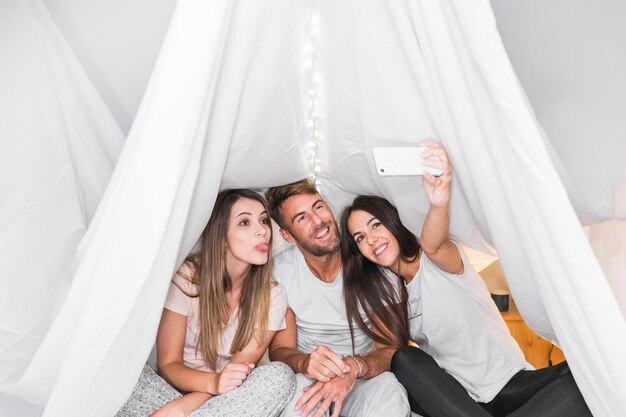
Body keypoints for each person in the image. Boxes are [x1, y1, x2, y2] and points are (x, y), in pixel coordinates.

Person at [340, 142, 592, 416]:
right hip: (460, 402)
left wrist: (439, 203)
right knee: (404, 359)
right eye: (360, 238)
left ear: (392, 222)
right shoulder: (392, 297)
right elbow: (390, 354)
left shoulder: (436, 261)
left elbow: (433, 243)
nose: (371, 240)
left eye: (375, 225)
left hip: (511, 385)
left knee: (587, 379)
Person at [116, 189, 295, 417]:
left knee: (279, 376)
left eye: (262, 220)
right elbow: (169, 365)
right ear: (220, 236)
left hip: (227, 400)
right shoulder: (187, 277)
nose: (262, 230)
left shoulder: (273, 296)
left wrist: (180, 410)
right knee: (121, 368)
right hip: (171, 391)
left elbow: (237, 376)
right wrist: (200, 391)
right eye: (244, 222)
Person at [265, 181, 411, 417]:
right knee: (296, 404)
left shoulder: (373, 259)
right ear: (287, 236)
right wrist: (305, 363)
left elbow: (391, 350)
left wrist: (353, 368)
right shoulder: (281, 270)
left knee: (390, 390)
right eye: (302, 218)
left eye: (318, 207)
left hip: (364, 375)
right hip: (310, 379)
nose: (318, 221)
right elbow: (281, 349)